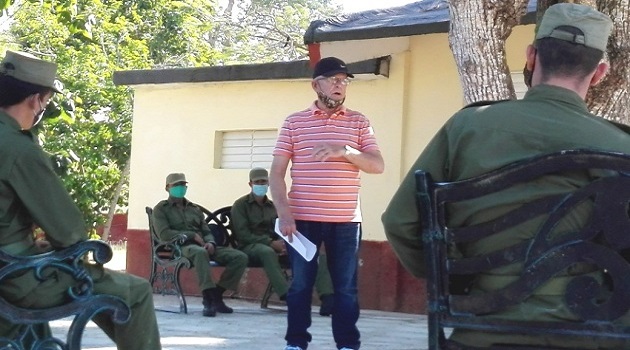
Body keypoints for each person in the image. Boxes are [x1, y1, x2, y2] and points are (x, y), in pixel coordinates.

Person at [382, 4, 630, 349]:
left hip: (482, 332)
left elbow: (400, 222)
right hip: (592, 333)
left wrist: (452, 282)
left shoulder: (467, 128)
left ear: (530, 56)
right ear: (600, 72)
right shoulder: (620, 146)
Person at [0, 50, 161, 349]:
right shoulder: (19, 149)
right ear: (36, 100)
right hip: (16, 280)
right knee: (134, 292)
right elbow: (69, 232)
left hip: (10, 268)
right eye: (46, 102)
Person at [270, 57, 385, 350]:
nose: (339, 85)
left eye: (344, 80)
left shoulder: (359, 122)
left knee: (345, 289)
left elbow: (377, 165)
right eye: (333, 79)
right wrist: (284, 214)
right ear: (315, 85)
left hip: (346, 221)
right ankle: (296, 343)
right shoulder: (294, 123)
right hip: (303, 221)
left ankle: (347, 344)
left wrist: (345, 150)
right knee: (300, 286)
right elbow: (276, 174)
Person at [231, 167, 335, 316]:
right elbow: (243, 235)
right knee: (266, 251)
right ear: (250, 184)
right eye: (257, 182)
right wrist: (270, 243)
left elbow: (281, 228)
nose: (261, 185)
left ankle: (327, 297)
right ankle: (287, 295)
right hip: (250, 247)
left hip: (276, 246)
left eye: (264, 181)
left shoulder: (273, 206)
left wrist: (285, 244)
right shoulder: (240, 205)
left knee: (313, 254)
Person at [152, 173, 248, 317]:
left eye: (183, 185)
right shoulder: (161, 209)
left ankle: (217, 294)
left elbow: (205, 230)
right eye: (176, 185)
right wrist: (191, 236)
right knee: (199, 253)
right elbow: (164, 234)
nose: (180, 188)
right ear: (167, 188)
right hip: (179, 247)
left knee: (239, 257)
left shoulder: (194, 209)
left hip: (202, 245)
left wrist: (210, 242)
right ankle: (207, 299)